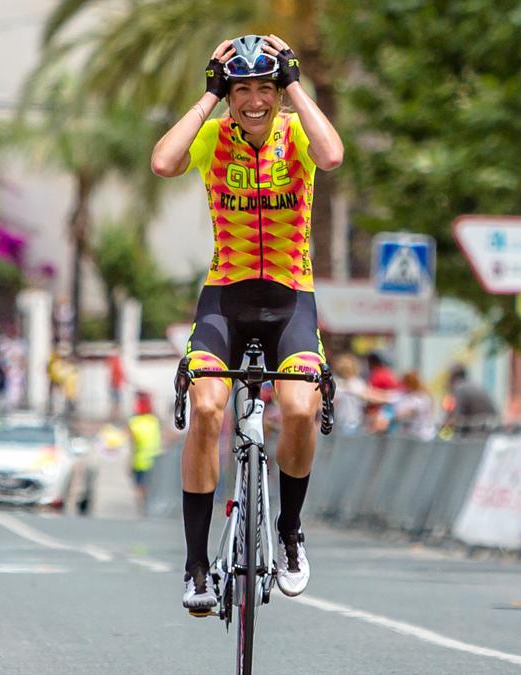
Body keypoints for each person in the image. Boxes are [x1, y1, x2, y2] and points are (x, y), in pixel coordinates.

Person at [152, 33, 343, 612]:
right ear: (227, 92)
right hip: (224, 300)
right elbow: (163, 161)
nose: (254, 101)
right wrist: (207, 97)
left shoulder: (299, 139)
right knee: (208, 409)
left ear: (280, 91)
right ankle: (195, 568)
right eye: (242, 89)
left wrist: (294, 85)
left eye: (265, 87)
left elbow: (333, 155)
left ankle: (288, 532)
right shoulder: (213, 137)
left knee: (301, 407)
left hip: (291, 299)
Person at [127, 392, 163, 515]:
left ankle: (142, 508)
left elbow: (132, 445)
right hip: (154, 460)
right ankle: (148, 506)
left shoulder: (134, 423)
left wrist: (129, 463)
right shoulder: (154, 421)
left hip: (140, 461)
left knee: (139, 487)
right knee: (149, 486)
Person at [442, 365, 496, 432]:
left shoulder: (460, 388)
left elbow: (457, 418)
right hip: (490, 425)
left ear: (453, 379)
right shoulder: (470, 385)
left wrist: (445, 426)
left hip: (482, 428)